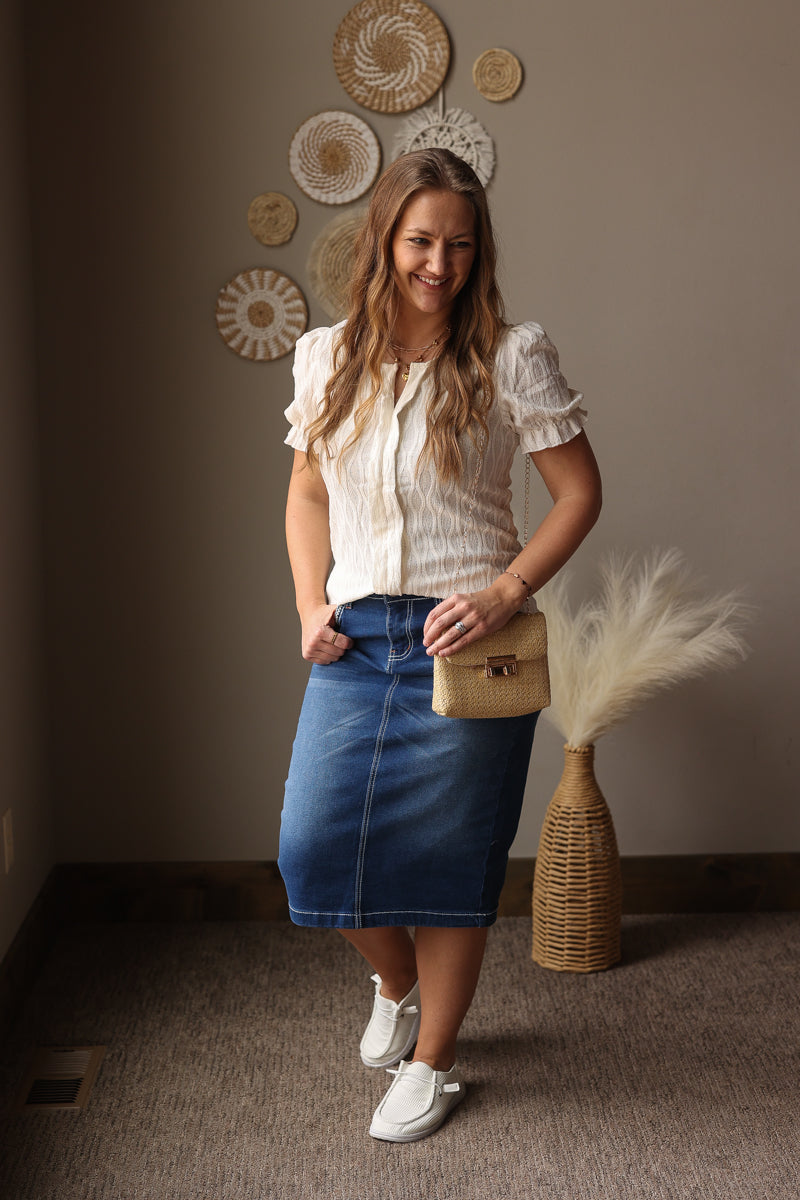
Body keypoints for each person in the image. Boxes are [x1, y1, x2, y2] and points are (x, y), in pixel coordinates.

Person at [279, 147, 601, 1143]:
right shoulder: (326, 356)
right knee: (309, 851)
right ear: (384, 236)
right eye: (421, 240)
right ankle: (394, 980)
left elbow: (578, 495)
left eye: (459, 245)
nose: (438, 264)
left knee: (452, 862)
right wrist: (307, 605)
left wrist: (506, 591)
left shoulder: (511, 354)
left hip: (471, 645)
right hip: (358, 643)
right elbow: (305, 493)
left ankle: (434, 1062)